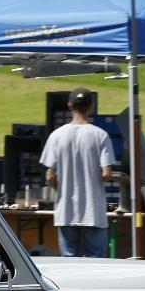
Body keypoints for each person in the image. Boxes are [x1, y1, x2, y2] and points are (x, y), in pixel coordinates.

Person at [40, 87, 117, 258]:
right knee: (96, 262)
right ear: (91, 106)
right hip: (93, 209)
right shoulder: (101, 135)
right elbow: (106, 174)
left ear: (69, 106)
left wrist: (60, 190)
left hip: (66, 209)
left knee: (69, 262)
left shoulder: (56, 135)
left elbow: (49, 175)